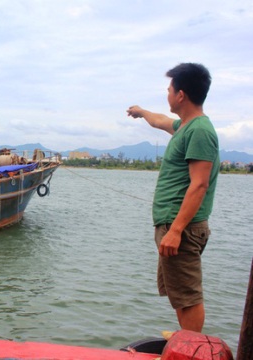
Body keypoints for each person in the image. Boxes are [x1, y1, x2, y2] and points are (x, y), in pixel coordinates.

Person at [126, 63, 220, 332]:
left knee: (188, 298)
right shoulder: (184, 127)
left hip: (183, 228)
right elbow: (159, 120)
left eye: (169, 90)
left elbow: (199, 184)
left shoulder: (199, 131)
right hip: (174, 226)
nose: (167, 95)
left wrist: (176, 230)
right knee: (179, 295)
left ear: (181, 95)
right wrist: (141, 111)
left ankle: (190, 347)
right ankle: (185, 340)